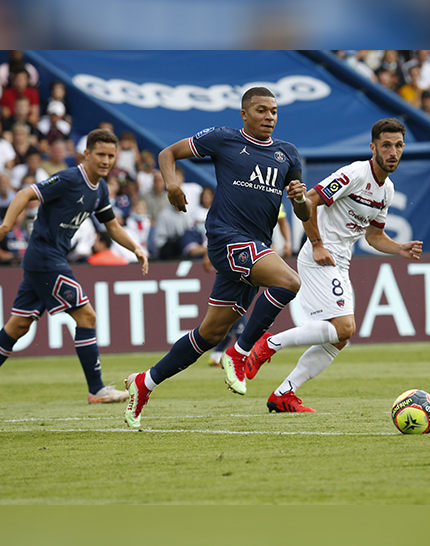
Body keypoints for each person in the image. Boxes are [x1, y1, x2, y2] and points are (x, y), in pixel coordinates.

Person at [122, 86, 311, 429]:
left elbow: (304, 212)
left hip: (255, 247)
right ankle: (240, 352)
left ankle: (145, 383)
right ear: (244, 114)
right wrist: (172, 185)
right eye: (261, 110)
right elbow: (168, 153)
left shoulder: (288, 153)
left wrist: (299, 198)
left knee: (209, 333)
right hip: (227, 239)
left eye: (273, 111)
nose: (269, 117)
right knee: (289, 281)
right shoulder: (224, 138)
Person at [0, 129, 149, 409]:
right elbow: (26, 193)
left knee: (18, 325)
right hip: (46, 257)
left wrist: (136, 248)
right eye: (100, 154)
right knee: (87, 316)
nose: (106, 161)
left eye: (111, 156)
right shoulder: (70, 179)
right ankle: (97, 389)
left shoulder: (100, 189)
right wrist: (6, 226)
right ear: (86, 154)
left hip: (45, 259)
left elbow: (112, 226)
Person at [243, 118, 423, 413]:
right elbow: (308, 201)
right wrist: (316, 244)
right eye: (386, 145)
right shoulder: (355, 173)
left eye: (399, 146)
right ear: (373, 147)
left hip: (340, 261)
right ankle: (268, 343)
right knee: (344, 327)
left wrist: (399, 247)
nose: (393, 152)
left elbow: (374, 236)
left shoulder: (387, 189)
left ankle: (284, 393)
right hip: (320, 256)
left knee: (340, 338)